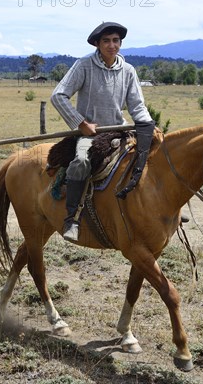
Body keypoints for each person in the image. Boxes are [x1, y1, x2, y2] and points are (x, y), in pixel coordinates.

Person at [50, 21, 155, 242]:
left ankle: (160, 208)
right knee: (80, 162)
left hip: (120, 132)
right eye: (106, 41)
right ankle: (72, 219)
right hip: (91, 135)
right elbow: (58, 95)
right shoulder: (84, 65)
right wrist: (80, 123)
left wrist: (148, 126)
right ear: (97, 44)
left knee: (153, 156)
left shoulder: (128, 71)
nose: (111, 45)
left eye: (115, 40)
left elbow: (137, 106)